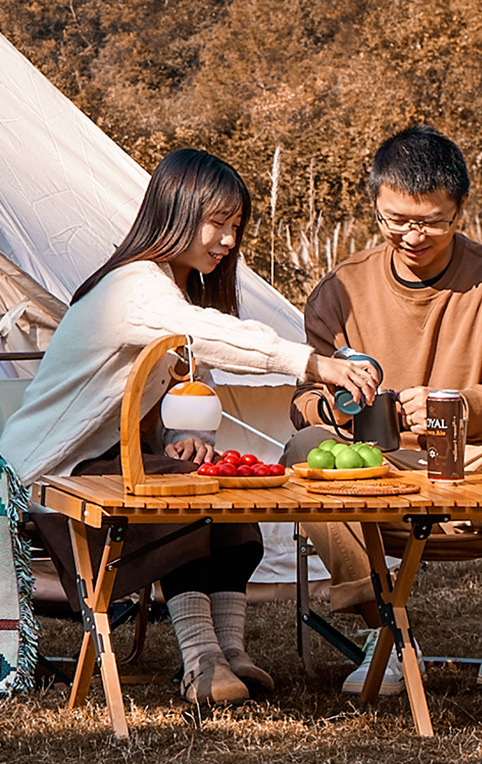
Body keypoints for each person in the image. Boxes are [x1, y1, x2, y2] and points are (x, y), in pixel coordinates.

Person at [0, 148, 378, 706]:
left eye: (236, 228)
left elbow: (165, 392)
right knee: (184, 502)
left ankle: (230, 651)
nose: (228, 241)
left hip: (104, 457)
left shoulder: (169, 288)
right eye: (217, 224)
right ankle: (200, 660)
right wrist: (312, 363)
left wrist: (183, 440)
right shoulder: (132, 287)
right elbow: (204, 333)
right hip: (49, 472)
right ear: (176, 213)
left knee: (225, 495)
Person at [285, 126, 482, 701]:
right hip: (381, 474)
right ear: (375, 204)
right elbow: (303, 403)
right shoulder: (341, 291)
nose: (412, 236)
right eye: (395, 220)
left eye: (431, 220)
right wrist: (344, 401)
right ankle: (386, 636)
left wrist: (454, 406)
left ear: (460, 210)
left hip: (481, 470)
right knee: (305, 451)